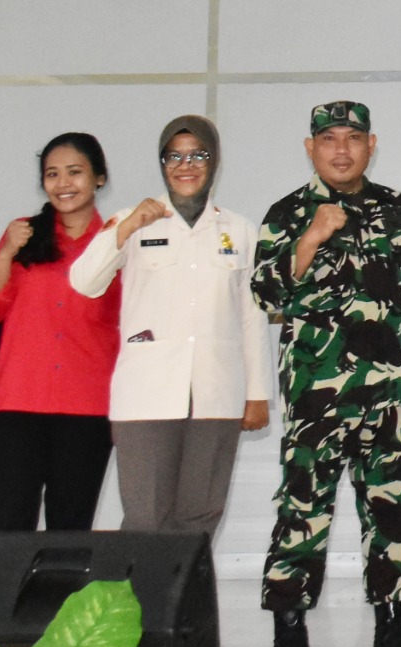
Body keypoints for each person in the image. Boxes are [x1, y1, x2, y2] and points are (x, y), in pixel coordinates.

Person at [253, 100, 401, 647]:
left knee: (390, 513)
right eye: (329, 139)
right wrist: (311, 237)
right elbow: (266, 295)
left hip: (388, 392)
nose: (341, 149)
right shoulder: (288, 212)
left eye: (353, 138)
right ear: (310, 147)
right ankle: (289, 641)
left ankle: (392, 636)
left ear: (371, 145)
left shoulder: (398, 208)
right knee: (303, 512)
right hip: (317, 394)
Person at [68, 116, 269, 538]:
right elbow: (84, 282)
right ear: (162, 163)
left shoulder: (238, 229)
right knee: (145, 519)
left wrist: (257, 394)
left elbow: (252, 316)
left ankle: (190, 587)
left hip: (217, 393)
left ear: (214, 162)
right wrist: (126, 228)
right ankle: (143, 586)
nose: (185, 166)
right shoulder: (133, 220)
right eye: (174, 156)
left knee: (199, 518)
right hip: (147, 395)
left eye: (198, 155)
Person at [0, 134, 119, 533]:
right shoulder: (23, 235)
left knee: (69, 531)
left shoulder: (116, 242)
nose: (63, 183)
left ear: (99, 177)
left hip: (87, 407)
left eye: (75, 172)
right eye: (52, 174)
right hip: (17, 403)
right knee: (7, 529)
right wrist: (6, 253)